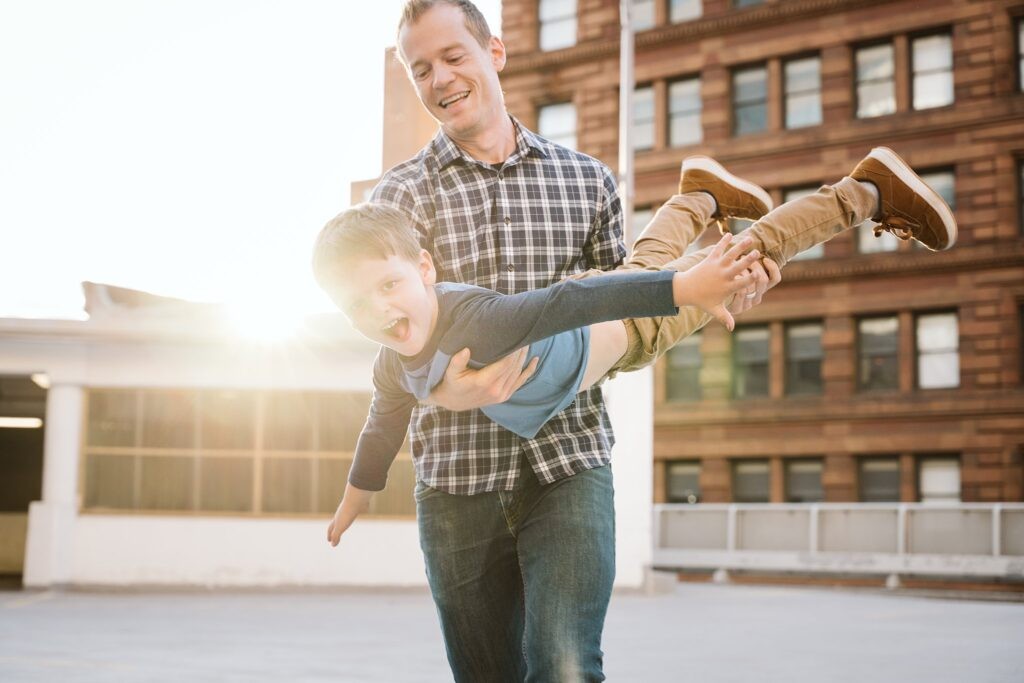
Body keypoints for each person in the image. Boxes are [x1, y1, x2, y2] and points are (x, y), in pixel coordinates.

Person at [339, 0, 955, 679]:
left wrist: (689, 292)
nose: (440, 79)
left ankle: (858, 194)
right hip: (457, 484)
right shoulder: (393, 203)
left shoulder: (587, 178)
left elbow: (612, 291)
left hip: (567, 461)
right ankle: (699, 199)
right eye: (420, 68)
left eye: (454, 56)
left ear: (497, 53)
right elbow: (390, 358)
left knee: (566, 666)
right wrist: (416, 424)